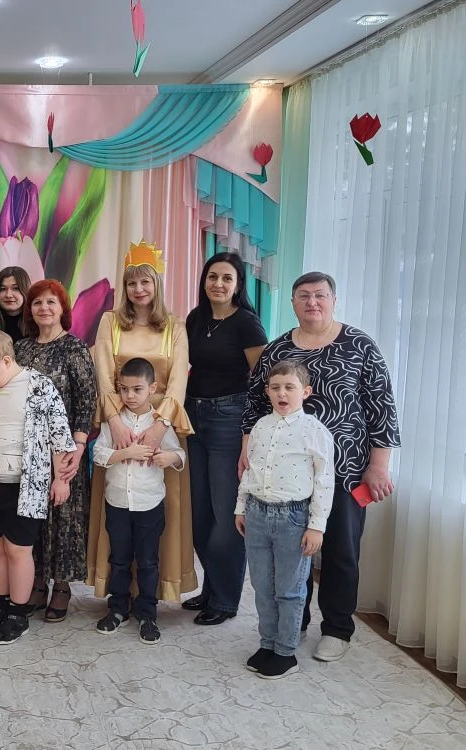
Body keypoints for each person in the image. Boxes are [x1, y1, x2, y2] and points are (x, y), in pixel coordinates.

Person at [241, 271, 400, 663]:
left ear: (333, 300)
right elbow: (254, 404)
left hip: (345, 470)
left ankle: (337, 628)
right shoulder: (277, 349)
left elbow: (382, 406)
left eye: (320, 295)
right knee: (293, 553)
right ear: (293, 303)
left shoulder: (359, 344)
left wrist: (379, 465)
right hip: (286, 475)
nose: (312, 302)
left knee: (340, 551)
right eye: (304, 296)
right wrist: (248, 452)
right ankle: (295, 621)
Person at [88, 244, 195, 602]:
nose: (138, 290)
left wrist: (160, 426)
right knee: (119, 509)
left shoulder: (175, 325)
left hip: (160, 424)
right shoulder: (110, 322)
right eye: (131, 283)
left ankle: (153, 594)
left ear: (156, 284)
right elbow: (104, 373)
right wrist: (115, 421)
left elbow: (177, 379)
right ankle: (117, 593)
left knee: (157, 512)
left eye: (145, 282)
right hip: (118, 422)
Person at [0, 330, 75, 645]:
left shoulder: (39, 387)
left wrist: (61, 479)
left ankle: (18, 613)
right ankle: (1, 605)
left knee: (18, 549)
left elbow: (58, 435)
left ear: (7, 360)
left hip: (25, 487)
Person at [235, 361, 335, 679]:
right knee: (262, 587)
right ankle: (267, 644)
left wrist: (316, 526)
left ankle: (285, 651)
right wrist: (241, 507)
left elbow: (324, 481)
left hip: (293, 518)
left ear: (305, 392)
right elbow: (249, 470)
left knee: (289, 589)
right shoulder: (260, 427)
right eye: (275, 387)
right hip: (257, 514)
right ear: (267, 391)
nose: (282, 393)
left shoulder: (315, 432)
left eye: (289, 387)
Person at [184, 253, 268, 626]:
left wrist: (249, 435)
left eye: (227, 278)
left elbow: (262, 383)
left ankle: (225, 598)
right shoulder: (196, 319)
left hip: (229, 419)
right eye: (213, 276)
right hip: (193, 417)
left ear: (237, 285)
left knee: (225, 514)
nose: (218, 284)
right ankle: (211, 587)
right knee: (199, 513)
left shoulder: (247, 324)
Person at [15, 279, 97, 622]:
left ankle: (61, 586)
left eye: (51, 302)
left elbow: (87, 401)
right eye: (37, 303)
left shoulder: (75, 348)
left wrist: (78, 446)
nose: (44, 308)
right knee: (31, 517)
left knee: (64, 518)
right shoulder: (20, 349)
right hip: (27, 449)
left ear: (63, 309)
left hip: (64, 449)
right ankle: (36, 582)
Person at [93, 358, 184, 644]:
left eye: (137, 389)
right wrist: (125, 453)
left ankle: (147, 614)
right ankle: (118, 609)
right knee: (119, 560)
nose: (129, 396)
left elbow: (180, 454)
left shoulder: (159, 424)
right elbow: (98, 454)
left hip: (149, 505)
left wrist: (169, 457)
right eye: (124, 389)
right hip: (117, 503)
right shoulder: (113, 423)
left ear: (152, 388)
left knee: (148, 562)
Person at [0, 266, 31, 343]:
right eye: (3, 289)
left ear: (25, 290)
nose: (8, 295)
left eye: (15, 288)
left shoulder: (37, 323)